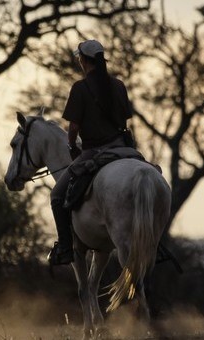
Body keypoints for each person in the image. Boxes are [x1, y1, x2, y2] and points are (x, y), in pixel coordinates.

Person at [47, 39, 134, 265]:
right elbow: (123, 121)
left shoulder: (80, 88)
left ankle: (65, 248)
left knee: (56, 196)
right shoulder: (119, 85)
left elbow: (73, 128)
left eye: (79, 58)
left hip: (94, 151)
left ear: (84, 60)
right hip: (123, 149)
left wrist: (71, 146)